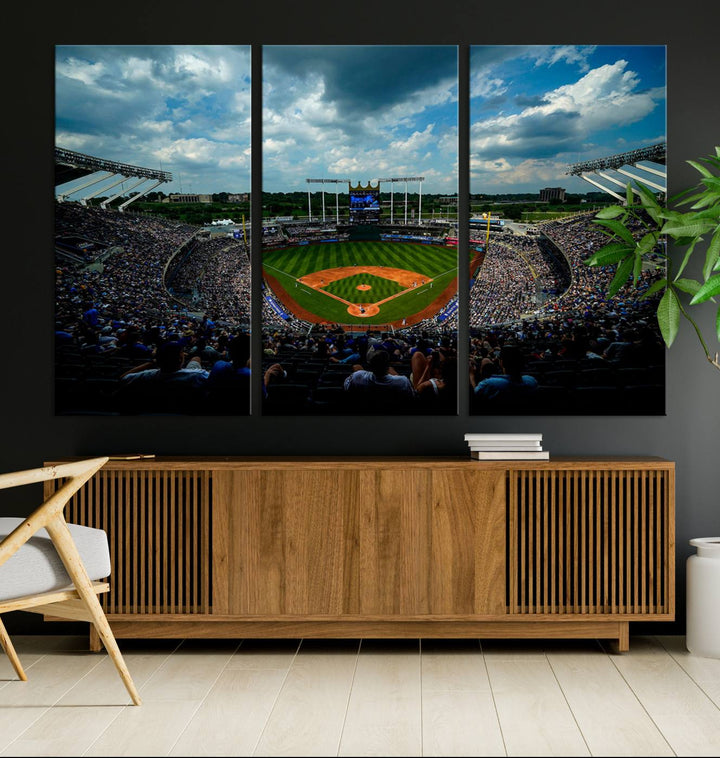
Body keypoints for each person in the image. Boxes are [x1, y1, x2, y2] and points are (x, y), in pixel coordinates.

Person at [117, 341, 209, 414]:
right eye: (182, 352)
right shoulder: (198, 375)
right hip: (186, 407)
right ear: (181, 359)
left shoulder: (146, 376)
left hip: (153, 408)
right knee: (195, 359)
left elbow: (123, 378)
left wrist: (151, 363)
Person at [471, 343, 538, 413]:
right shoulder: (532, 381)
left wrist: (471, 376)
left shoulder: (489, 384)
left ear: (501, 362)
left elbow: (475, 395)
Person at [343, 349, 414, 413]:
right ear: (387, 366)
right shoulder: (402, 381)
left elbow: (347, 387)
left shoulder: (357, 377)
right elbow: (411, 396)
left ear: (370, 366)